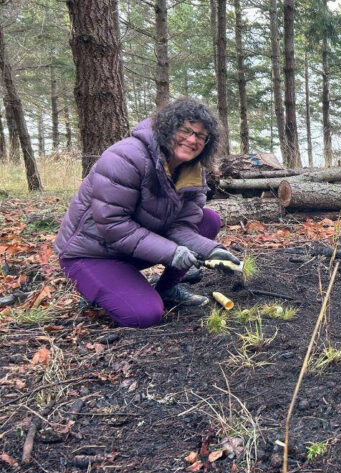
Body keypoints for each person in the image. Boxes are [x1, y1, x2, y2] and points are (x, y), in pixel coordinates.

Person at [54, 98, 240, 328]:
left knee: (208, 220)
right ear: (167, 126)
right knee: (144, 315)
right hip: (92, 252)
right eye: (185, 130)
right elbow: (113, 225)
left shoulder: (192, 169)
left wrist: (212, 250)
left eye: (201, 136)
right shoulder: (126, 157)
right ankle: (102, 286)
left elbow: (181, 225)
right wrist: (173, 252)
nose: (192, 140)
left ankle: (167, 289)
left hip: (133, 248)